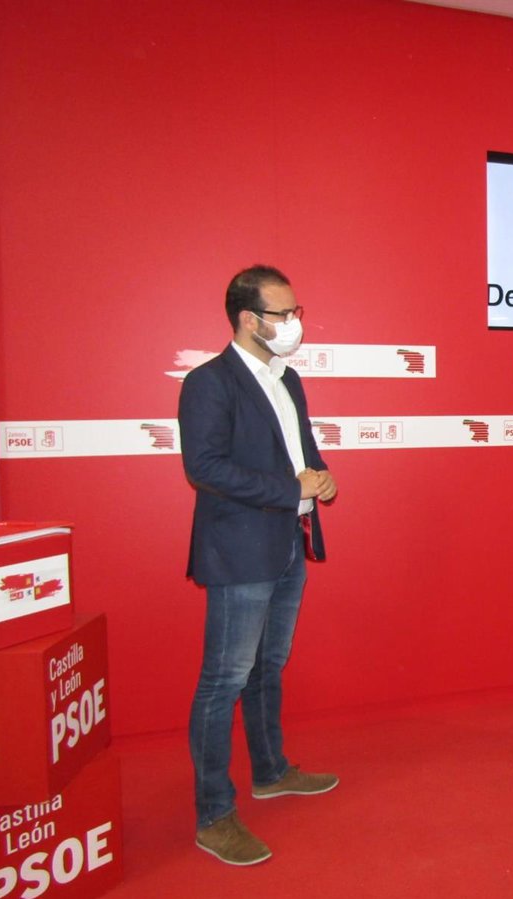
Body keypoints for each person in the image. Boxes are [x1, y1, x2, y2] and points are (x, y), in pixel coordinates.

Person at [179, 265, 340, 866]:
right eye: (284, 314)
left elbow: (302, 449)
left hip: (288, 543)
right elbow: (205, 467)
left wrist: (320, 477)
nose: (295, 323)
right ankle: (213, 815)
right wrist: (289, 487)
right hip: (239, 551)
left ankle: (270, 771)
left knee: (268, 666)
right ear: (249, 319)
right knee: (224, 680)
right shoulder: (209, 382)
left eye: (297, 312)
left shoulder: (288, 378)